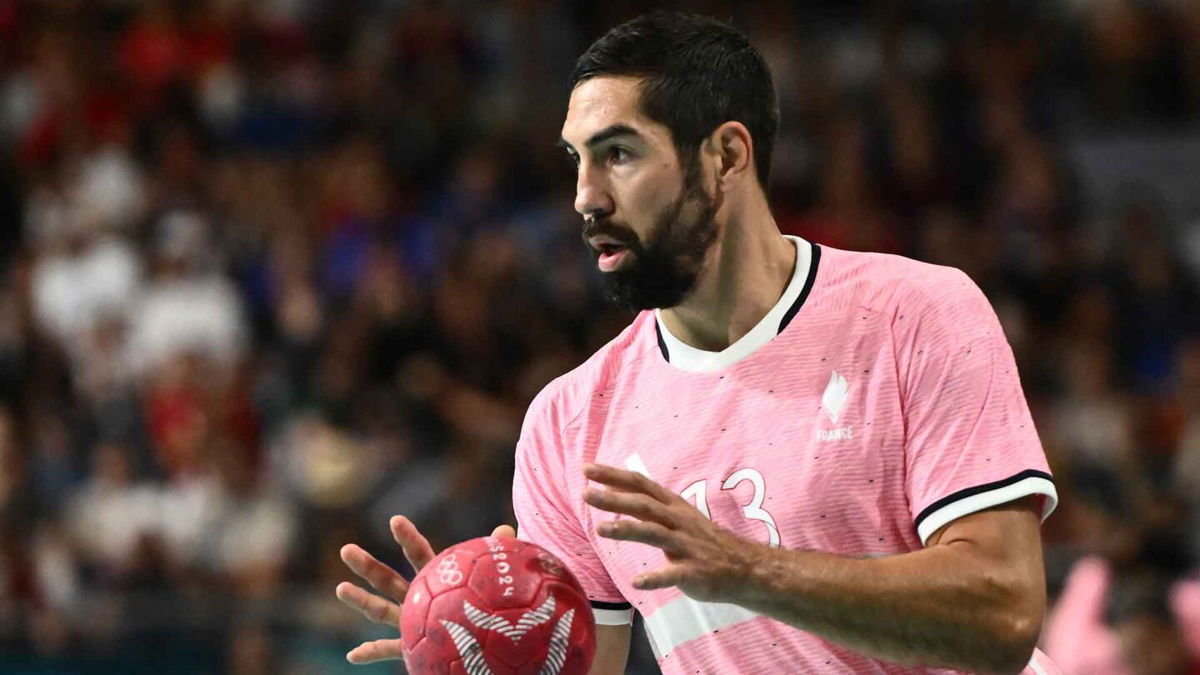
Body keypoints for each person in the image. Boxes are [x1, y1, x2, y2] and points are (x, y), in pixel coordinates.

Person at [336, 11, 1061, 674]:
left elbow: (1001, 612)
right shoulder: (569, 425)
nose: (585, 196)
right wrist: (487, 642)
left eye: (618, 154)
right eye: (576, 160)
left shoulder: (915, 314)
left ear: (726, 155)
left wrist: (749, 569)